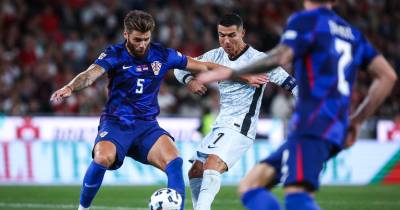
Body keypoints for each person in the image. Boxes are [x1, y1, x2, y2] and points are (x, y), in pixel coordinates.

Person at [196, 1, 397, 210]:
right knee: (251, 186)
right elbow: (388, 76)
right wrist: (357, 121)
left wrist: (233, 72)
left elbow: (281, 56)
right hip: (334, 127)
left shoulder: (306, 21)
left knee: (297, 196)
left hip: (313, 124)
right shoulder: (352, 33)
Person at [50, 10, 222, 210]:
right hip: (116, 123)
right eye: (137, 39)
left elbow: (202, 66)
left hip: (146, 126)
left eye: (146, 39)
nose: (142, 44)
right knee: (102, 157)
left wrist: (240, 73)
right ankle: (82, 209)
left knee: (175, 161)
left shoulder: (163, 54)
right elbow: (90, 75)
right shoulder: (114, 54)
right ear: (126, 35)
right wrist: (70, 87)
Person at [174, 14, 298, 210]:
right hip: (221, 124)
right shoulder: (215, 56)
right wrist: (190, 80)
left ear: (243, 33)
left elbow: (293, 85)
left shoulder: (260, 60)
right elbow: (178, 68)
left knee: (211, 165)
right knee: (195, 171)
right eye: (221, 35)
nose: (226, 41)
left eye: (232, 35)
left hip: (242, 126)